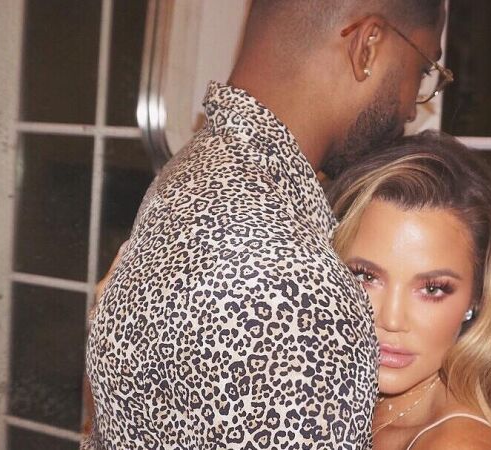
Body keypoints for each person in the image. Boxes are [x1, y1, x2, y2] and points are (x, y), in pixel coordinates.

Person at [83, 1, 448, 448]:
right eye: (423, 69)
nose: (413, 107)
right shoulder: (299, 290)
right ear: (367, 46)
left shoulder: (186, 175)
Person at [327, 132, 491, 450]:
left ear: (478, 296)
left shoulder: (459, 445)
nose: (391, 319)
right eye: (365, 277)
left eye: (432, 289)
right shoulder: (345, 402)